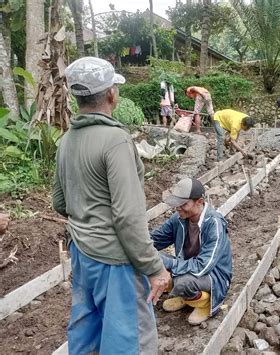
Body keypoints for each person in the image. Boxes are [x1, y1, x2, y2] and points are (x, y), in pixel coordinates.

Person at [54, 56, 170, 354]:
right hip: (113, 261)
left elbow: (60, 202)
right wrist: (155, 268)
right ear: (110, 94)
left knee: (86, 332)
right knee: (127, 339)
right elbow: (128, 217)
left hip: (81, 253)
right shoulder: (116, 140)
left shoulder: (67, 140)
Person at [150, 177, 232, 325]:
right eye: (177, 204)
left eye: (183, 204)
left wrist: (168, 265)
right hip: (188, 266)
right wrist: (137, 245)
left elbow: (203, 266)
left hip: (213, 275)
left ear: (199, 202)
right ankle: (186, 297)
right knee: (149, 261)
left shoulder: (214, 224)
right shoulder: (179, 219)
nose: (178, 208)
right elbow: (156, 239)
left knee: (181, 283)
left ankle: (205, 303)